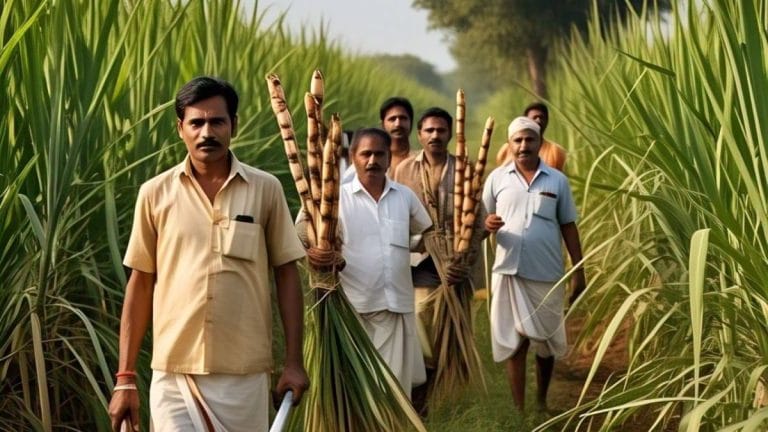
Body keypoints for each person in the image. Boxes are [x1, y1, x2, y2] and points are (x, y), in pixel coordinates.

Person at [108, 76, 309, 431]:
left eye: (217, 121)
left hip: (244, 374)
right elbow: (140, 284)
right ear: (180, 128)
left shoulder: (265, 189)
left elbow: (287, 275)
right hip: (174, 374)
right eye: (196, 122)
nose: (206, 132)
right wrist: (125, 377)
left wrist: (294, 361)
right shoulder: (155, 194)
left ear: (234, 124)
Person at [307, 127, 432, 398]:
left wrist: (406, 248)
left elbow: (425, 232)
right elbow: (303, 236)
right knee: (357, 390)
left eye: (379, 154)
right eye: (366, 154)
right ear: (353, 157)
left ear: (389, 158)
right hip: (352, 307)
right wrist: (321, 254)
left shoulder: (404, 196)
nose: (372, 161)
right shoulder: (335, 199)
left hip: (394, 306)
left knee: (393, 389)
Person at [483, 116, 586, 411]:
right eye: (517, 140)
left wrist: (579, 271)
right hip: (508, 271)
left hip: (547, 273)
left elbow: (568, 225)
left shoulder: (557, 180)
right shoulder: (497, 179)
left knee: (547, 341)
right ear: (510, 144)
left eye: (530, 139)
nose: (523, 145)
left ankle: (541, 401)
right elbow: (479, 221)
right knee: (515, 342)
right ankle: (519, 411)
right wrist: (486, 224)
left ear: (540, 143)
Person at [393, 107, 486, 413]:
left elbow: (478, 223)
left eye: (441, 130)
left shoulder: (465, 170)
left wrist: (464, 259)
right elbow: (396, 218)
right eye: (429, 130)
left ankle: (437, 396)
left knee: (450, 338)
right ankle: (418, 399)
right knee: (420, 331)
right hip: (419, 261)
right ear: (419, 135)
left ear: (450, 134)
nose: (435, 135)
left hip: (455, 267)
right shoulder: (404, 170)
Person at [496, 102, 567, 171]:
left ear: (547, 121)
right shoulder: (507, 149)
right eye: (534, 117)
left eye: (541, 117)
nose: (538, 121)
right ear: (525, 121)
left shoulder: (556, 151)